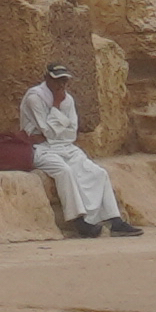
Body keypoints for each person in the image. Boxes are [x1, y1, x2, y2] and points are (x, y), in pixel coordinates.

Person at [16, 60, 134, 237]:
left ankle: (114, 220)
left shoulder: (68, 100)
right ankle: (79, 222)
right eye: (57, 80)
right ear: (47, 78)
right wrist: (56, 107)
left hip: (65, 147)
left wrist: (52, 132)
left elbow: (71, 133)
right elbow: (48, 131)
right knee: (64, 172)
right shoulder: (35, 98)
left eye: (64, 81)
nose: (61, 85)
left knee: (98, 173)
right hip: (40, 148)